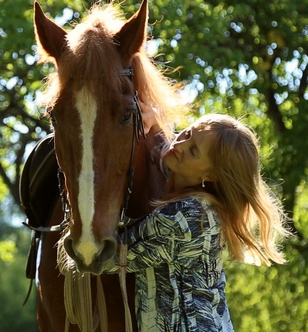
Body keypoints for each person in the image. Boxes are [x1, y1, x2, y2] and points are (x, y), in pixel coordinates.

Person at [107, 111, 291, 331]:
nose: (180, 144)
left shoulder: (190, 216)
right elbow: (166, 153)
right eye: (187, 133)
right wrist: (155, 125)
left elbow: (111, 258)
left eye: (193, 150)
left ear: (211, 175)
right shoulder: (184, 174)